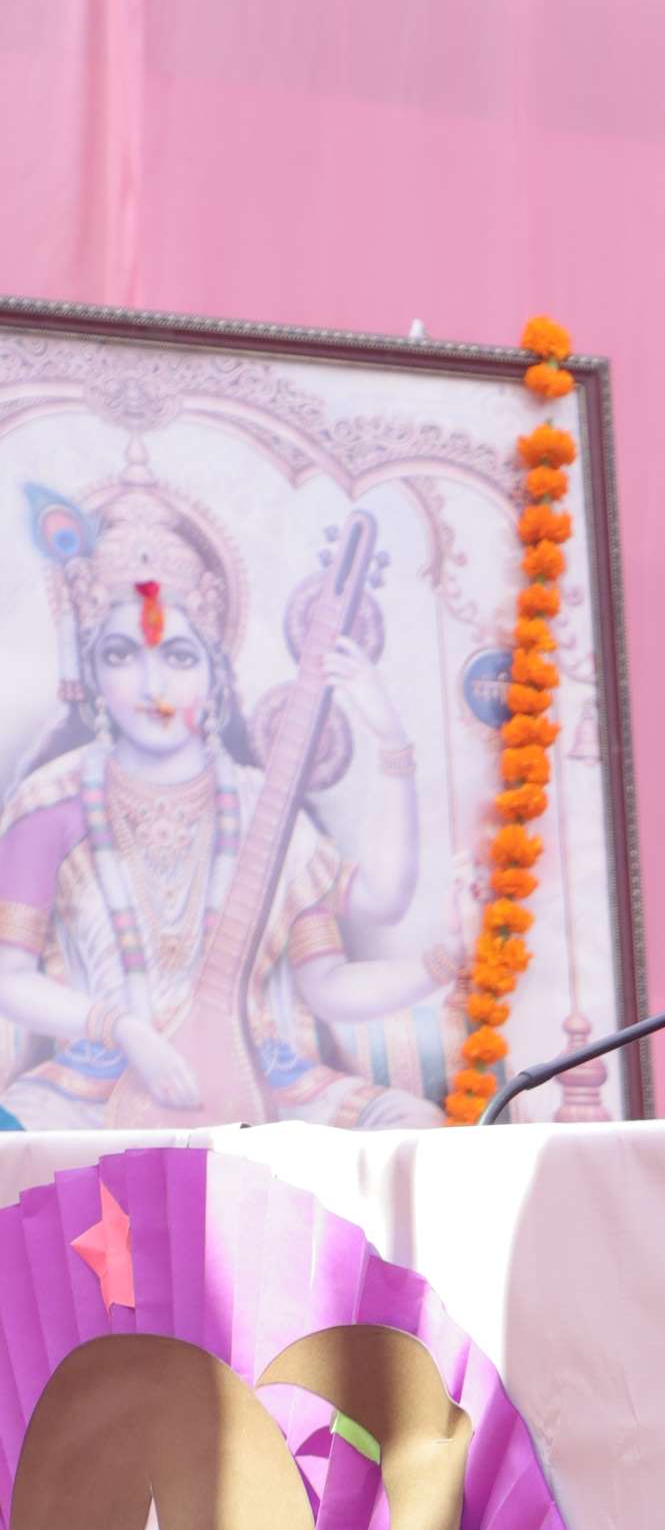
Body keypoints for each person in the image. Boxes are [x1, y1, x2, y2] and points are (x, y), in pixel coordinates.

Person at [0, 465, 448, 1128]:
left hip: (260, 1078)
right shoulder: (52, 803)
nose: (154, 684)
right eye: (122, 654)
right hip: (94, 1086)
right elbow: (8, 978)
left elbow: (346, 957)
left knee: (414, 1126)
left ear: (214, 675)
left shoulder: (265, 807)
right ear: (92, 674)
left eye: (178, 656)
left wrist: (393, 744)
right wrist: (122, 1027)